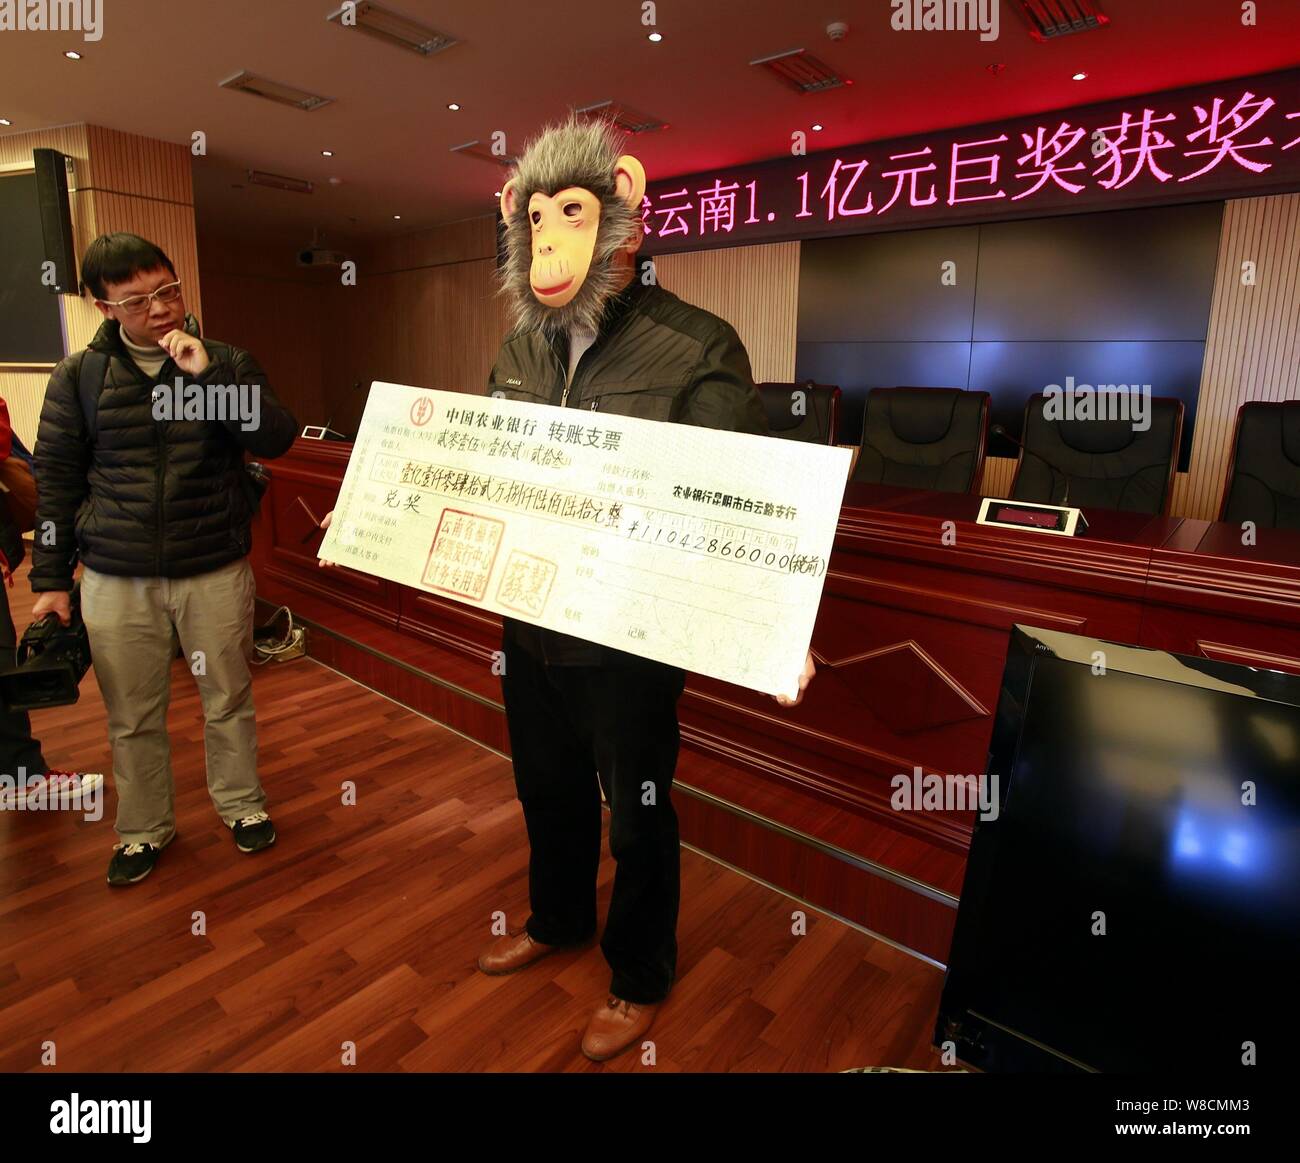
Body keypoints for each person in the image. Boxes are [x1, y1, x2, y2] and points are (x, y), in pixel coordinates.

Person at [326, 118, 815, 1061]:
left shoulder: (697, 344)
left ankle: (639, 973)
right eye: (535, 218)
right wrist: (382, 521)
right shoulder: (522, 348)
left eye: (574, 214)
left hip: (629, 636)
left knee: (635, 809)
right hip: (530, 616)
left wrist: (773, 615)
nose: (548, 238)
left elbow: (739, 497)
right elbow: (483, 467)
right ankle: (558, 918)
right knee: (543, 786)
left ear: (627, 222)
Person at [29, 232, 299, 885]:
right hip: (116, 575)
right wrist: (50, 581)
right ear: (103, 306)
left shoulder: (225, 361)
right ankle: (143, 828)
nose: (161, 309)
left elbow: (277, 435)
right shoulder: (81, 377)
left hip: (211, 564)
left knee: (227, 695)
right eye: (138, 300)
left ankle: (240, 804)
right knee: (132, 710)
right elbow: (57, 485)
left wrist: (207, 376)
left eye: (168, 290)